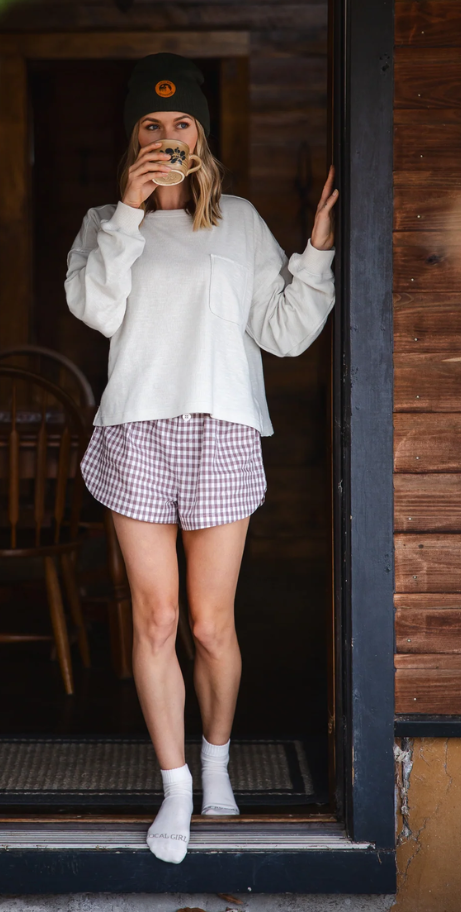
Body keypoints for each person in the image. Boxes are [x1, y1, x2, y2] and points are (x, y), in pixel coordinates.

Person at [65, 53, 338, 864]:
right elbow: (96, 309)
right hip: (136, 433)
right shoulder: (102, 222)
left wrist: (316, 248)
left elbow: (283, 332)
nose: (167, 136)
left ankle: (216, 762)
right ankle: (176, 786)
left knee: (211, 626)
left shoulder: (239, 222)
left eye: (180, 122)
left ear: (201, 136)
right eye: (151, 125)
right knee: (155, 619)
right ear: (133, 138)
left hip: (220, 431)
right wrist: (127, 210)